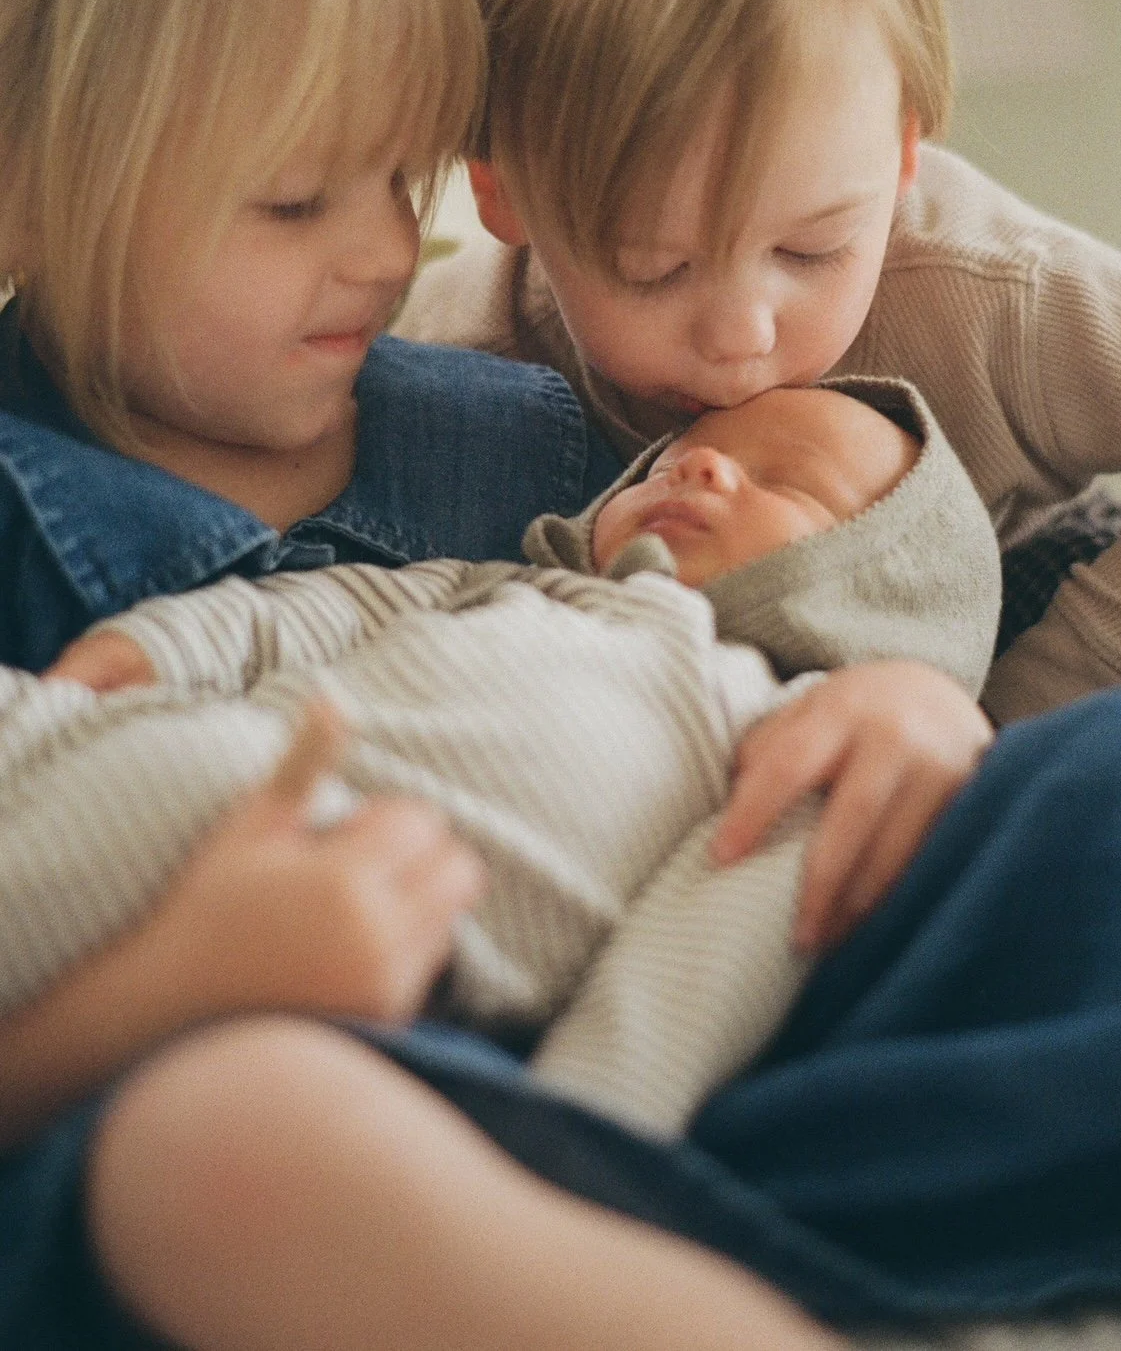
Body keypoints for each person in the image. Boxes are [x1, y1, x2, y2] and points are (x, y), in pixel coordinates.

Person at [0, 0, 851, 1351]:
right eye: (291, 200)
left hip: (658, 1039)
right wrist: (183, 981)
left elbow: (730, 663)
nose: (388, 253)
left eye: (400, 178)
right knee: (246, 1149)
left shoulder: (521, 433)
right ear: (25, 183)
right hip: (238, 1147)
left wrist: (895, 704)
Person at [398, 0, 1121, 753]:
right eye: (654, 268)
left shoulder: (981, 290)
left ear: (903, 151)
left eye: (811, 250)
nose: (741, 335)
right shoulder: (457, 357)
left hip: (1024, 613)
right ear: (501, 192)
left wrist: (1019, 724)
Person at [31, 379, 999, 1140]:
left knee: (184, 779)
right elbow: (313, 610)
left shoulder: (790, 729)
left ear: (886, 590)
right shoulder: (504, 585)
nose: (701, 466)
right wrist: (163, 644)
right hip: (156, 745)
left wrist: (576, 1128)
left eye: (787, 481)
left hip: (330, 871)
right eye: (675, 460)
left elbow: (693, 974)